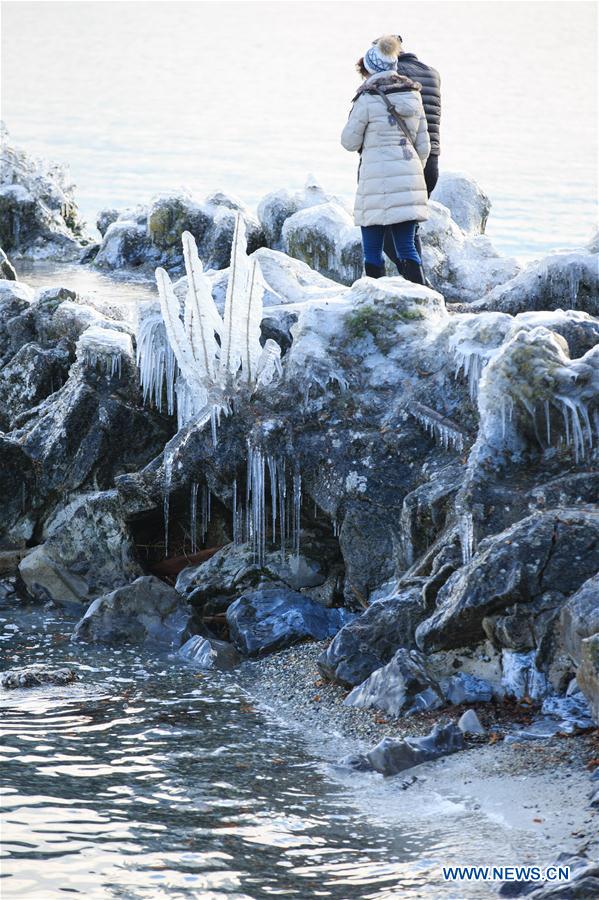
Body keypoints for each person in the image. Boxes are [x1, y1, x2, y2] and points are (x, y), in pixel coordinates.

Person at [341, 35, 430, 284]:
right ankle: (420, 300)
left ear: (370, 67)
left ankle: (375, 303)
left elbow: (349, 142)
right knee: (407, 248)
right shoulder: (414, 94)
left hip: (375, 180)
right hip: (409, 177)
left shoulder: (367, 97)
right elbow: (424, 147)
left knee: (372, 251)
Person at [384, 34, 441, 271]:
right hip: (431, 164)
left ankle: (418, 286)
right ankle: (419, 283)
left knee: (387, 234)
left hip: (401, 162)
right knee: (409, 230)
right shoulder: (433, 73)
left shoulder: (392, 74)